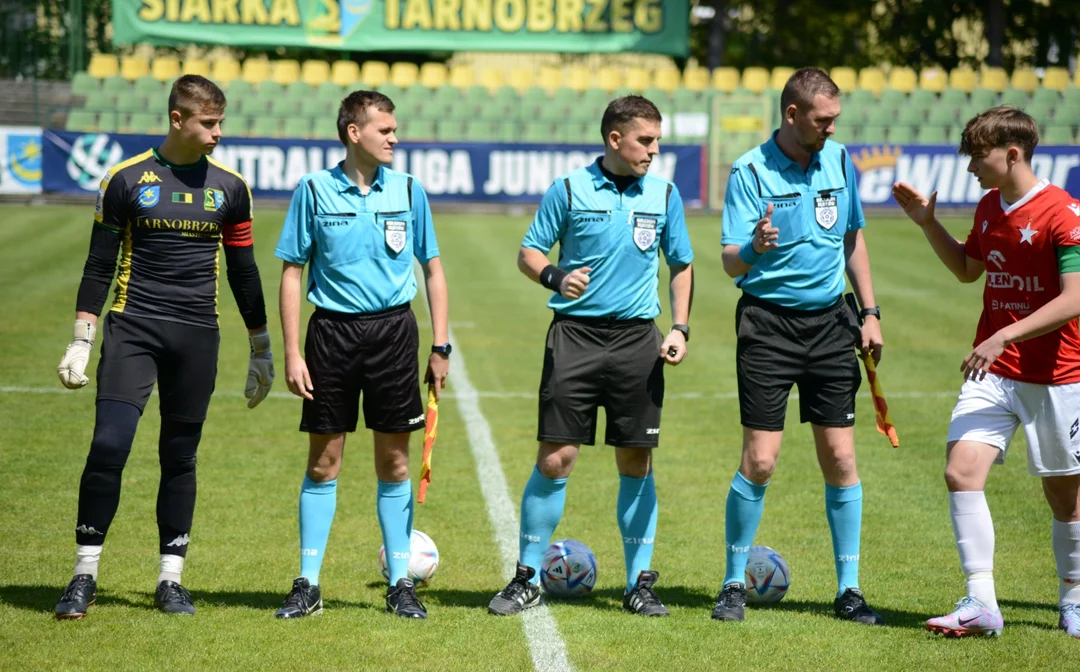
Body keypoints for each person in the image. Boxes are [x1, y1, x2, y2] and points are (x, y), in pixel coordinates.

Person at [54, 75, 274, 619]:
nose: (219, 132)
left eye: (221, 121)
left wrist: (260, 346)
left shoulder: (231, 187)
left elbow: (244, 273)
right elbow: (99, 265)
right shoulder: (125, 179)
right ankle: (84, 574)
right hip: (134, 329)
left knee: (180, 456)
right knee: (110, 445)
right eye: (209, 122)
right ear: (178, 119)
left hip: (198, 335)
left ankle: (170, 580)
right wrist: (82, 338)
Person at [487, 95, 694, 617]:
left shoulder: (664, 193)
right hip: (574, 337)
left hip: (637, 342)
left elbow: (682, 264)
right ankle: (526, 577)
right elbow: (529, 252)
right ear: (614, 139)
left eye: (657, 141)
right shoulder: (569, 189)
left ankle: (637, 584)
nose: (653, 150)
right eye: (645, 140)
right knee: (557, 457)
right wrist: (556, 277)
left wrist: (679, 327)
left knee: (635, 459)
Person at [893, 107, 1080, 638]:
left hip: (1058, 375)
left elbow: (1075, 300)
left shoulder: (1064, 215)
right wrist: (930, 225)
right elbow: (967, 271)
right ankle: (981, 603)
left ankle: (1073, 597)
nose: (971, 164)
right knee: (960, 471)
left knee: (1065, 499)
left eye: (979, 154)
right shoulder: (987, 208)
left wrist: (1006, 333)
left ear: (1012, 153)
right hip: (993, 372)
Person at [713, 67, 885, 625]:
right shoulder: (749, 171)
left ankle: (849, 590)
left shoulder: (838, 160)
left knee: (840, 456)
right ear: (792, 115)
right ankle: (733, 583)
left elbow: (852, 235)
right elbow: (730, 261)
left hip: (832, 324)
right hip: (767, 325)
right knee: (760, 461)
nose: (832, 129)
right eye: (823, 120)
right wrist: (756, 247)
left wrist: (870, 312)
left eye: (836, 119)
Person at [272, 90, 449, 621]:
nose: (395, 138)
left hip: (395, 333)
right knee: (324, 462)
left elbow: (433, 270)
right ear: (355, 133)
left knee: (394, 461)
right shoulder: (312, 190)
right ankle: (308, 583)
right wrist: (291, 351)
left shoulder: (410, 189)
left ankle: (400, 584)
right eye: (386, 129)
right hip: (330, 335)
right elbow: (290, 271)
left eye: (395, 129)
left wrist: (441, 345)